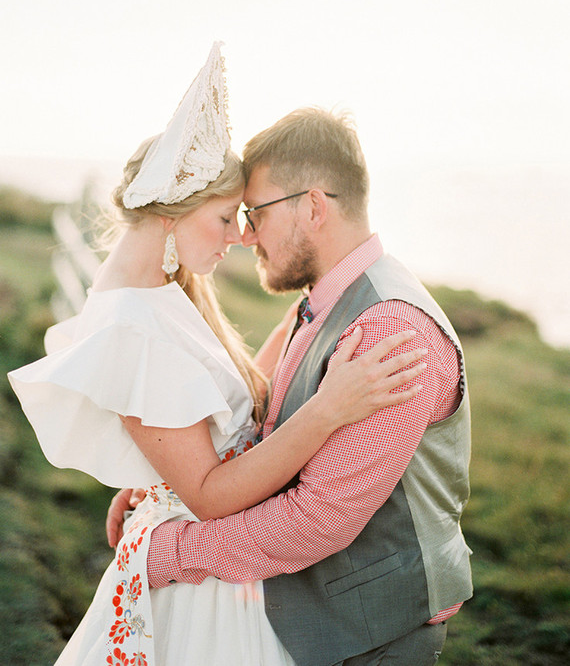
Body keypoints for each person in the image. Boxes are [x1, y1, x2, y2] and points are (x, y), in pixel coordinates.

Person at [8, 43, 426, 666]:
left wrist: (311, 315)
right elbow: (208, 495)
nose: (239, 236)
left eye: (245, 216)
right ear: (172, 215)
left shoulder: (161, 299)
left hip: (223, 571)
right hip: (205, 589)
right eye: (227, 217)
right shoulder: (134, 327)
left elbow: (201, 427)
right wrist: (328, 408)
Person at [109, 104, 474, 666]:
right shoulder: (326, 303)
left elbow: (317, 520)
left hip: (370, 637)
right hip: (326, 624)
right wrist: (170, 491)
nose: (247, 236)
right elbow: (273, 434)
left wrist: (166, 551)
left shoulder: (389, 329)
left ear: (312, 206)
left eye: (255, 212)